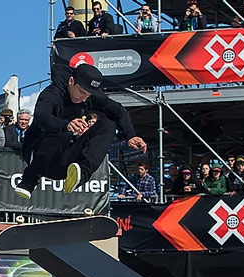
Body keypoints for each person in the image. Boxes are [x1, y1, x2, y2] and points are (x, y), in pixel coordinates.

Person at [14, 62, 147, 199]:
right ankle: (28, 181)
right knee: (64, 129)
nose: (83, 98)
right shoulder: (52, 93)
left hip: (62, 162)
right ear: (71, 81)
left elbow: (119, 111)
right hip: (36, 154)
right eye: (81, 92)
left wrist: (130, 135)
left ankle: (81, 174)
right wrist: (66, 125)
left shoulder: (89, 97)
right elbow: (42, 117)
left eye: (88, 95)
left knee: (108, 122)